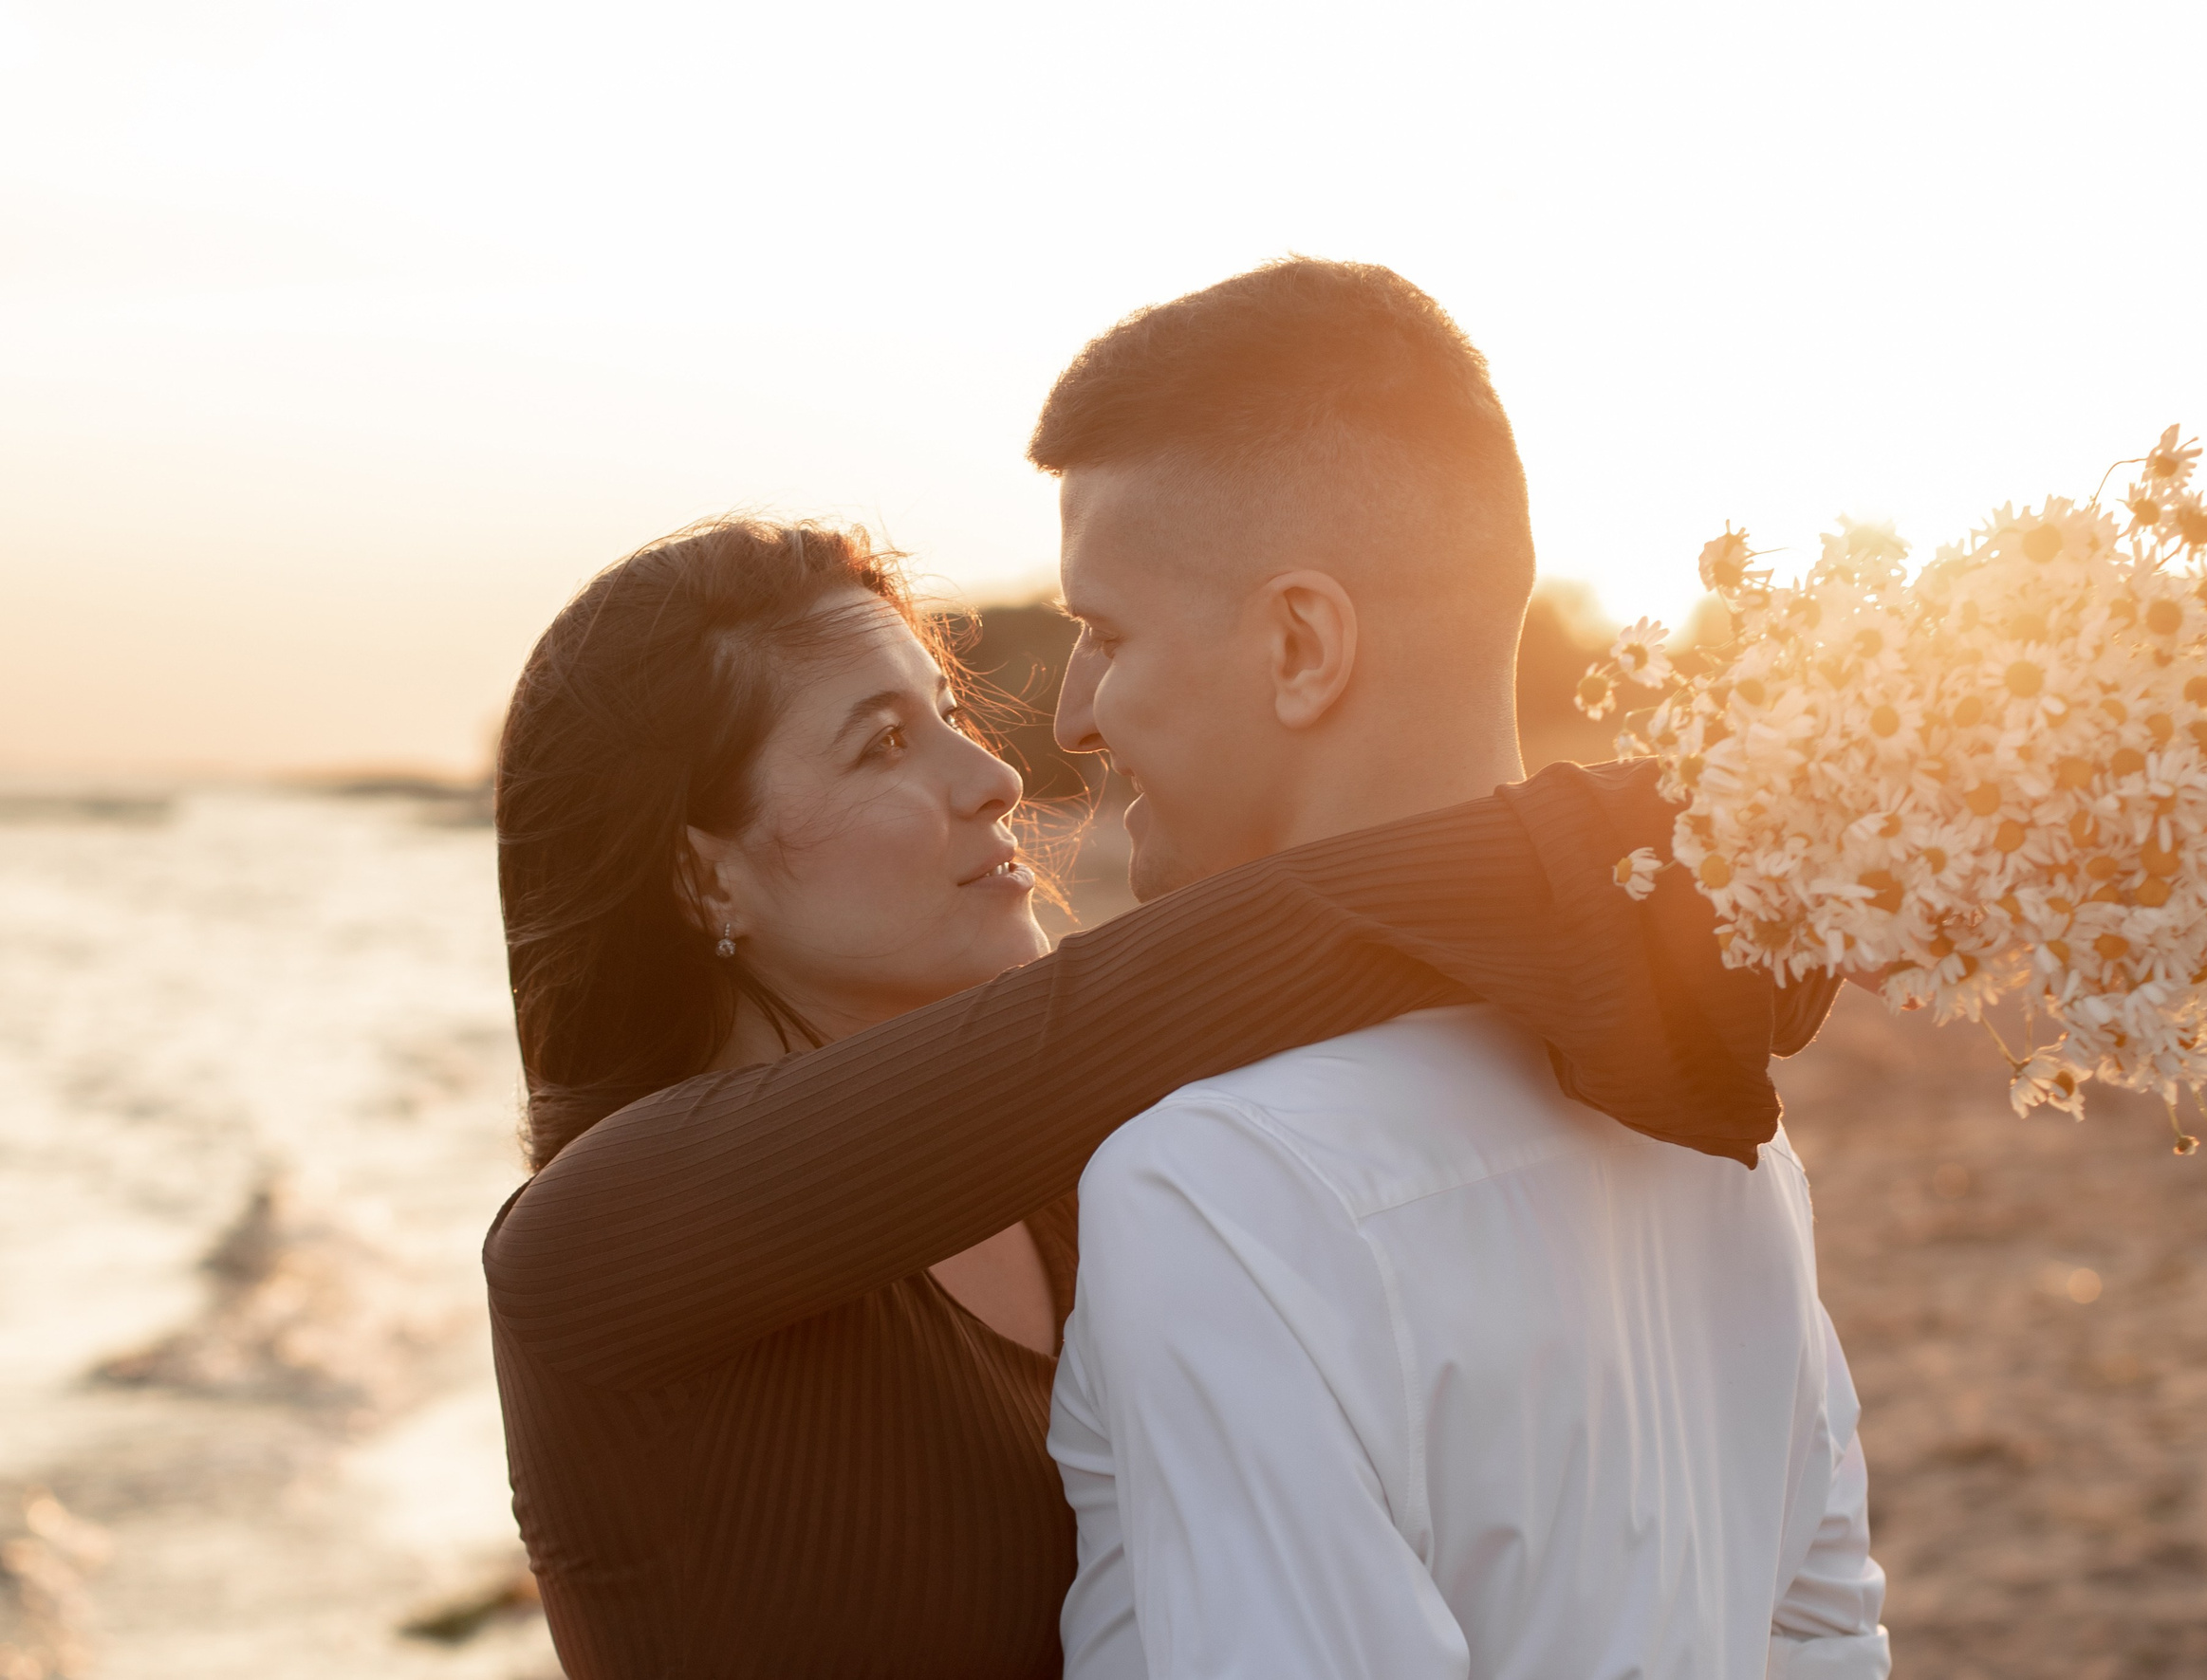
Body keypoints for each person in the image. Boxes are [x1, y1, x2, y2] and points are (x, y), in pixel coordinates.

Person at [483, 518, 1834, 1677]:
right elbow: (1163, 989)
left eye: (948, 715)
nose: (995, 778)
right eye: (881, 748)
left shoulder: (1111, 1180)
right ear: (700, 879)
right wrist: (1708, 826)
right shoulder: (598, 1245)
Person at [1034, 258, 1892, 1678]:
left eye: (1104, 633)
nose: (1073, 717)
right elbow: (1823, 1633)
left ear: (1302, 645)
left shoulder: (1218, 1183)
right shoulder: (1719, 1110)